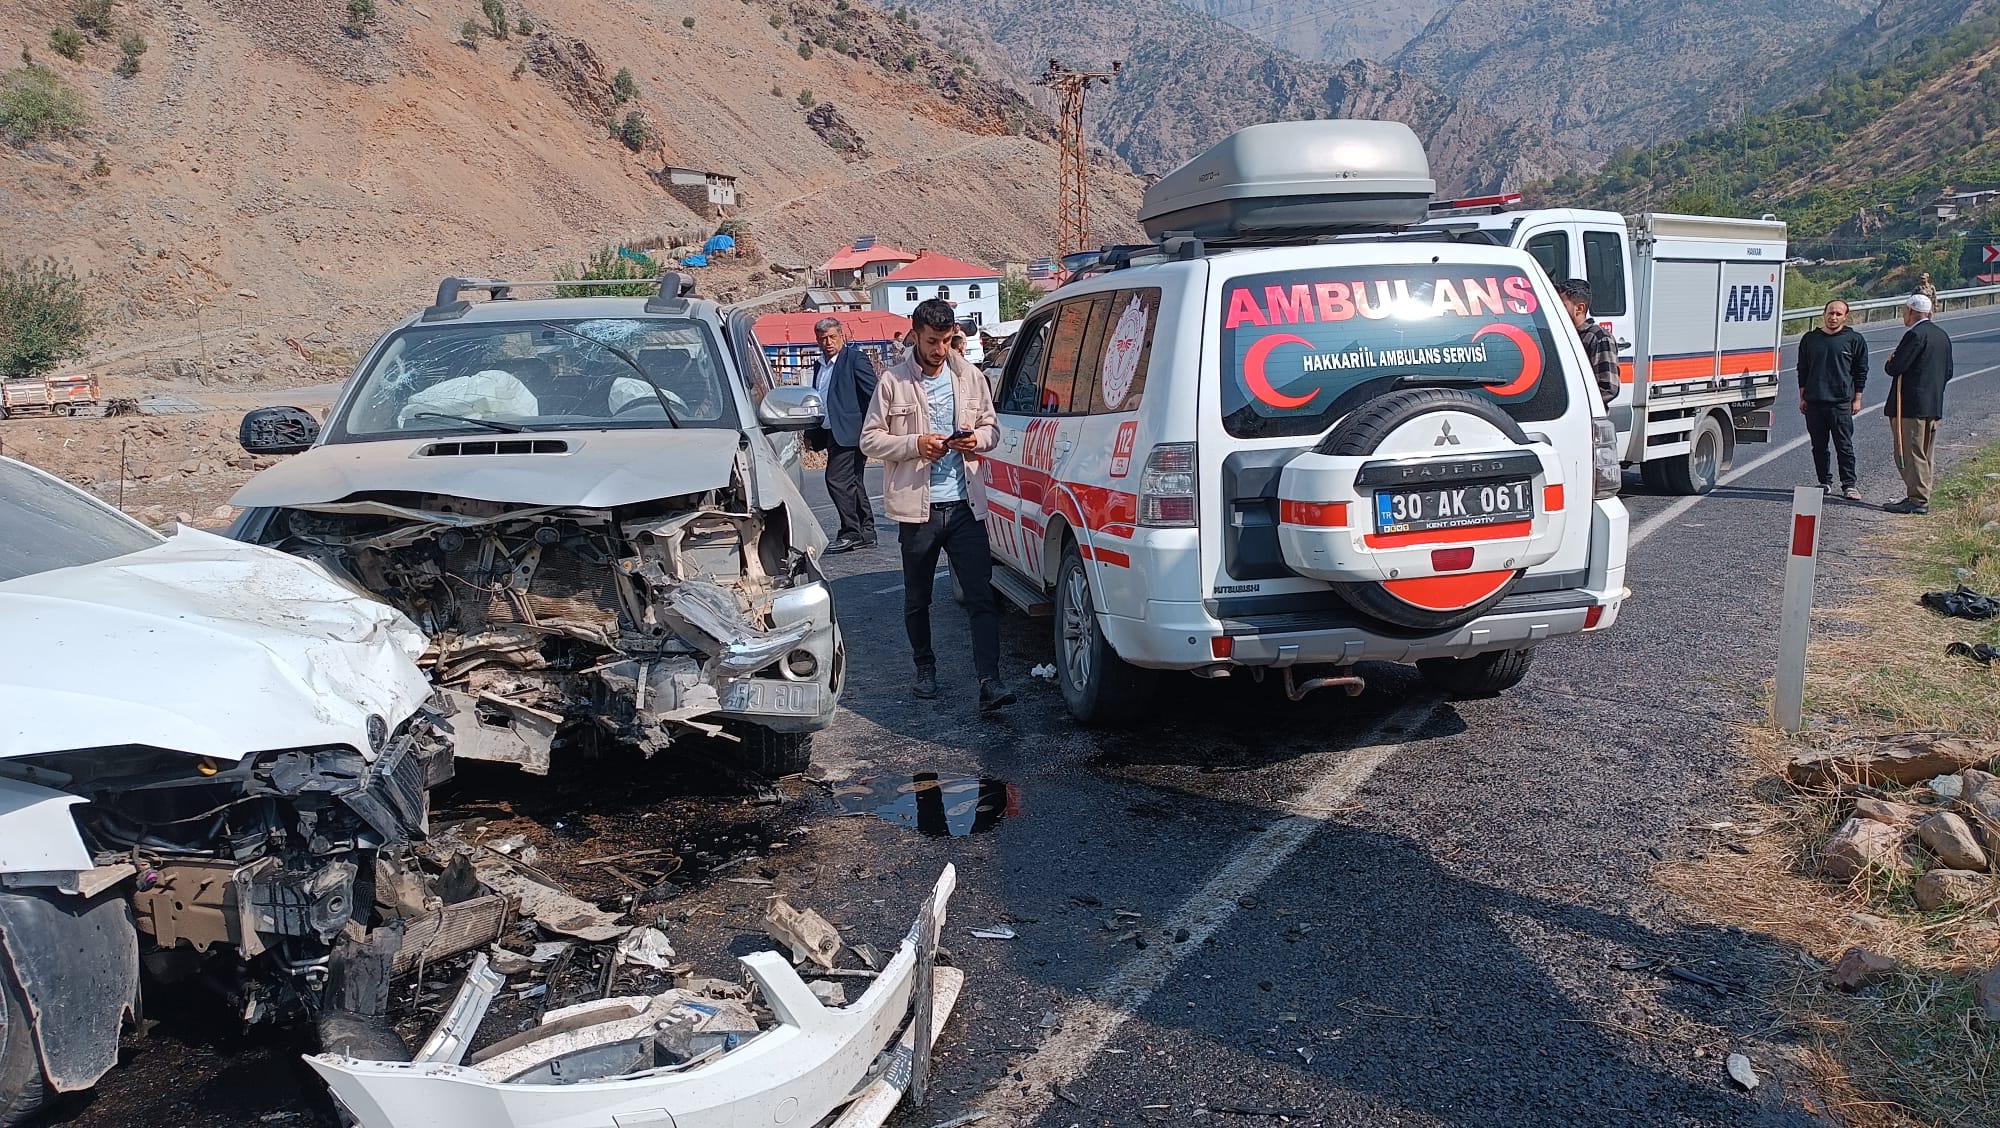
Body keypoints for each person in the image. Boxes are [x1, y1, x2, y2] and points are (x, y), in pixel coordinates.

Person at [859, 298, 1014, 711]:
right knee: (918, 598)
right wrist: (915, 444)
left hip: (966, 506)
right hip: (918, 510)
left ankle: (990, 681)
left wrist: (976, 440)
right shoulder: (893, 382)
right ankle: (924, 668)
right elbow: (869, 439)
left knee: (981, 597)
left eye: (946, 341)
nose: (940, 349)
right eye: (932, 341)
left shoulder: (971, 377)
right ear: (915, 335)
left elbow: (992, 429)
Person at [808, 318, 880, 554]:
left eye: (832, 337)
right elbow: (819, 399)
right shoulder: (819, 365)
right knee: (853, 481)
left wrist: (875, 426)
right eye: (823, 339)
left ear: (841, 336)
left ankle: (851, 531)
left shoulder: (854, 359)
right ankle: (866, 532)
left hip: (852, 432)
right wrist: (812, 432)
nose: (828, 342)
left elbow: (874, 393)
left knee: (836, 480)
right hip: (831, 432)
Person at [1882, 294, 1954, 515]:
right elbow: (1948, 372)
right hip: (1932, 405)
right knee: (1924, 453)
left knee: (1910, 453)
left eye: (1905, 311)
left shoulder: (1914, 335)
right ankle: (1920, 494)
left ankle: (1918, 500)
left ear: (1911, 311)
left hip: (1910, 406)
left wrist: (1890, 360)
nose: (1904, 315)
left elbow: (1895, 367)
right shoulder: (1942, 335)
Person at [1796, 298, 1868, 500]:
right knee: (1819, 446)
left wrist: (1857, 399)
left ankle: (1849, 485)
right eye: (1830, 313)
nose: (1833, 317)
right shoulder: (1810, 339)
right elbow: (1803, 370)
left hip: (1840, 403)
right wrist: (1803, 397)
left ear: (1845, 317)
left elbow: (1861, 371)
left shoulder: (1854, 340)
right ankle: (1824, 482)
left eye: (1838, 314)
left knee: (1844, 446)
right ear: (1824, 314)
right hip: (1814, 402)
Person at [1555, 277, 1619, 407]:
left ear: (1579, 308)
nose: (1556, 310)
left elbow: (1608, 388)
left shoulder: (1599, 337)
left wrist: (1573, 406)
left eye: (1562, 306)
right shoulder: (1561, 336)